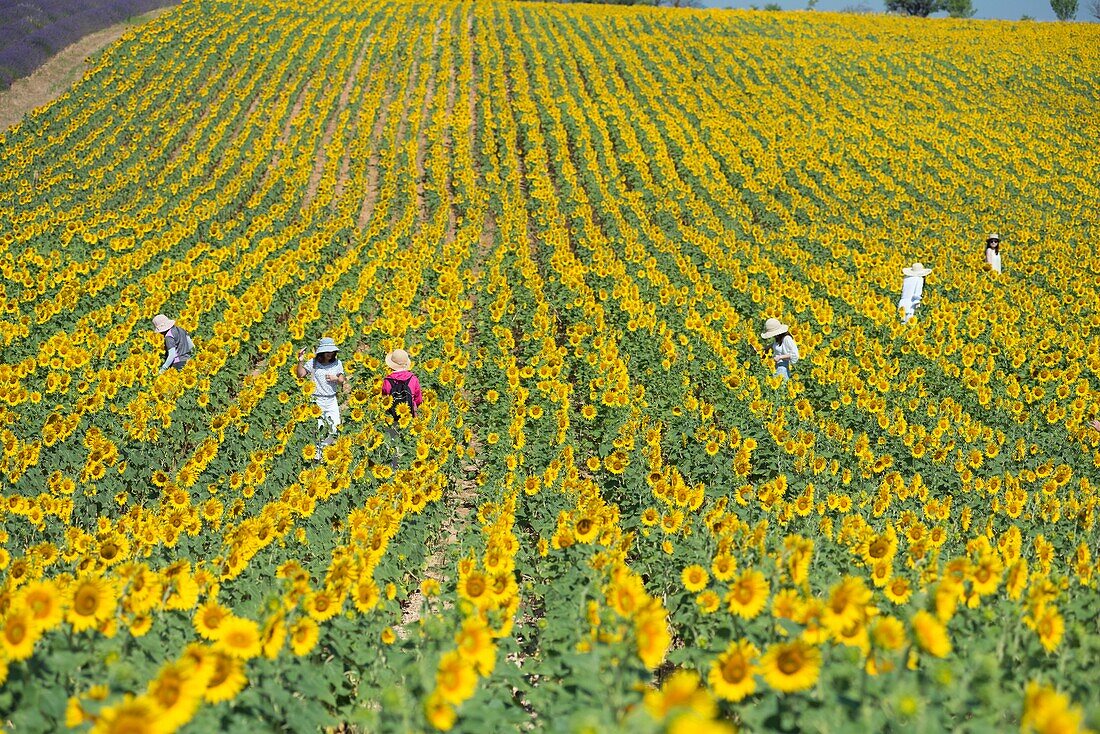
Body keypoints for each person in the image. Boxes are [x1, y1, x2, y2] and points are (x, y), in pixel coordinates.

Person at [295, 337, 348, 460]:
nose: (330, 354)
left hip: (331, 399)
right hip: (317, 400)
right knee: (319, 429)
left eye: (331, 351)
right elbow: (300, 375)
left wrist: (336, 378)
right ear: (321, 352)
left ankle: (322, 451)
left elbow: (342, 380)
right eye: (327, 351)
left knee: (335, 427)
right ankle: (318, 456)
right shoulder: (314, 363)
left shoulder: (337, 363)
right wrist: (300, 360)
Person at [381, 349, 423, 422]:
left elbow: (384, 399)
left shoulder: (387, 381)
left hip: (392, 418)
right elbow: (418, 400)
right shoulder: (413, 379)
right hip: (409, 417)